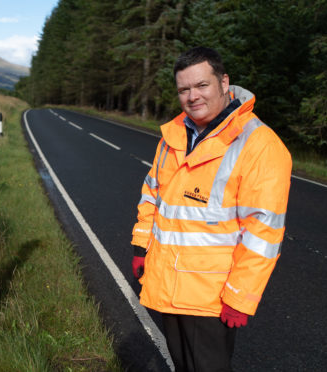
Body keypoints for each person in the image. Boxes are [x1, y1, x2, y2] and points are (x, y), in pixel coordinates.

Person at [131, 47, 292, 371]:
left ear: (224, 82)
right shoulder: (173, 136)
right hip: (168, 284)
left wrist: (240, 296)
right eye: (184, 89)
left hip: (210, 298)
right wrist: (141, 245)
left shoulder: (258, 145)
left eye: (201, 85)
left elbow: (263, 231)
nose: (192, 96)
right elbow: (152, 195)